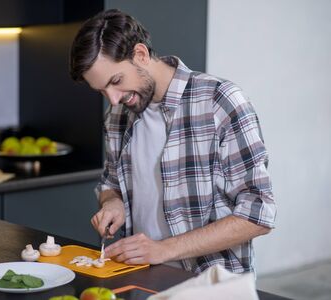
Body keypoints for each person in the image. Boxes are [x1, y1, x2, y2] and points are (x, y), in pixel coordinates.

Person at [69, 9, 276, 274]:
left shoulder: (220, 102)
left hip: (212, 284)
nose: (112, 98)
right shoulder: (117, 115)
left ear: (141, 55)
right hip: (141, 276)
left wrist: (165, 248)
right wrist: (112, 203)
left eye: (116, 81)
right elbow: (111, 184)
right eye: (102, 90)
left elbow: (258, 214)